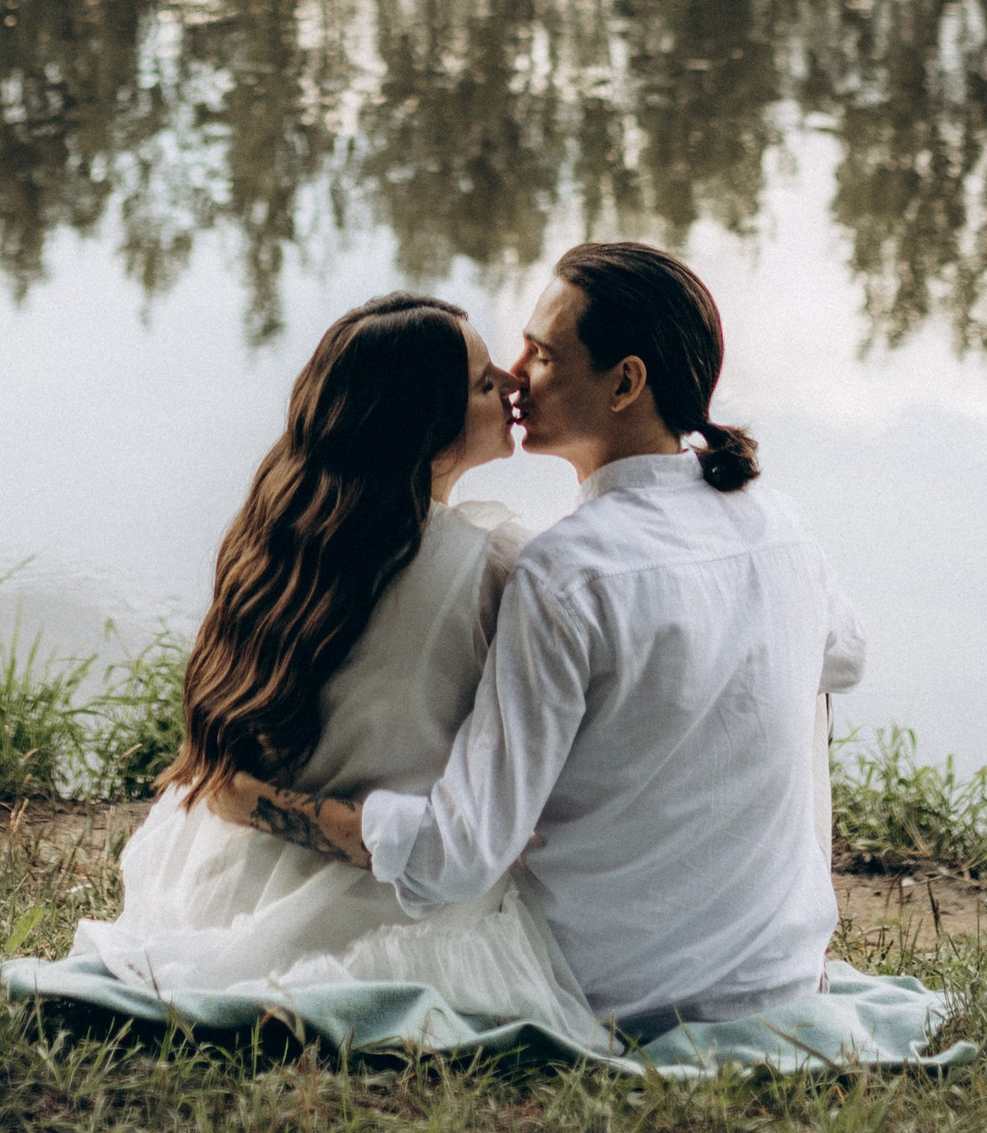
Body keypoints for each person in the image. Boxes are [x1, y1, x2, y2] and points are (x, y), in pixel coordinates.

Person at [206, 240, 867, 1035]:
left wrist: (262, 802)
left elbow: (456, 857)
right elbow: (844, 659)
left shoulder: (565, 572)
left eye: (543, 354)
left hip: (616, 986)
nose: (515, 374)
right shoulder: (778, 522)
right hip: (782, 975)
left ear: (625, 382)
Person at [58, 288, 604, 1044]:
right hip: (390, 894)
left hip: (235, 873)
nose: (514, 384)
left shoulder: (285, 541)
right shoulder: (495, 568)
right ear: (427, 424)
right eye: (485, 384)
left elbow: (226, 775)